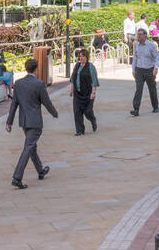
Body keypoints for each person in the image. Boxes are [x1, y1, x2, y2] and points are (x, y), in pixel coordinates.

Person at [6, 57, 58, 188]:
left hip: (24, 122)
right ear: (36, 70)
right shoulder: (39, 84)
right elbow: (47, 102)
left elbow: (14, 104)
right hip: (35, 122)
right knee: (29, 147)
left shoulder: (18, 83)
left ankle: (40, 171)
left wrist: (9, 122)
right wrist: (55, 113)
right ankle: (17, 178)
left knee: (31, 146)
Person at [130, 25, 159, 116]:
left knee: (152, 89)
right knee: (138, 90)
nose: (138, 36)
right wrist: (133, 70)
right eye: (138, 34)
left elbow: (157, 57)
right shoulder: (137, 45)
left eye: (140, 34)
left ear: (145, 35)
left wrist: (155, 68)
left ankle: (155, 107)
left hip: (149, 70)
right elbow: (135, 58)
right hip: (139, 70)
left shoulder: (151, 45)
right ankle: (136, 109)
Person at [69, 46, 98, 135]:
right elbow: (73, 79)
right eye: (80, 56)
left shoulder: (91, 67)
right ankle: (80, 131)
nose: (81, 58)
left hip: (88, 94)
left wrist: (93, 93)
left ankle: (93, 120)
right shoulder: (77, 66)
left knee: (87, 112)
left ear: (87, 57)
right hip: (77, 93)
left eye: (83, 56)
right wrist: (72, 90)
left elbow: (94, 81)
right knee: (77, 112)